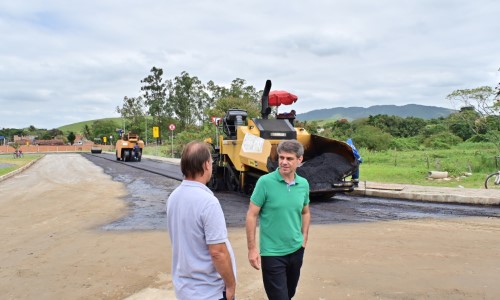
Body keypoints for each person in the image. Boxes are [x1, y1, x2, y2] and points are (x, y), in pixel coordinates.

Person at [166, 141, 236, 300]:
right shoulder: (208, 202)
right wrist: (231, 285)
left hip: (185, 289)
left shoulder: (174, 197)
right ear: (206, 165)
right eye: (211, 162)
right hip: (209, 292)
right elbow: (218, 252)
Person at [246, 139, 310, 299]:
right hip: (272, 253)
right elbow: (251, 215)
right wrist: (252, 249)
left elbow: (305, 212)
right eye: (281, 158)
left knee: (289, 294)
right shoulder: (265, 182)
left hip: (296, 250)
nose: (284, 162)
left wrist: (304, 239)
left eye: (289, 158)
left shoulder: (303, 184)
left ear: (299, 160)